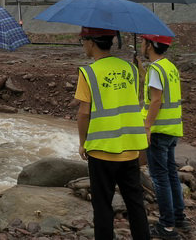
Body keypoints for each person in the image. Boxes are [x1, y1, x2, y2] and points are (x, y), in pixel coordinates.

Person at [74, 27, 150, 240]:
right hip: (130, 147)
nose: (83, 45)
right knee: (135, 203)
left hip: (102, 150)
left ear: (91, 42)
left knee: (102, 206)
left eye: (83, 41)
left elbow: (84, 113)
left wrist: (83, 143)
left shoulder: (88, 72)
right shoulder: (131, 69)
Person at [137, 34, 190, 238]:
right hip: (172, 129)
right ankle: (179, 218)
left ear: (150, 45)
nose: (141, 45)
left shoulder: (156, 69)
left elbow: (156, 100)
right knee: (171, 174)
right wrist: (141, 69)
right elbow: (159, 90)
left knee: (160, 178)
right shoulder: (168, 67)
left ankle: (167, 226)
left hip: (158, 131)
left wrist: (147, 127)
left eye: (143, 42)